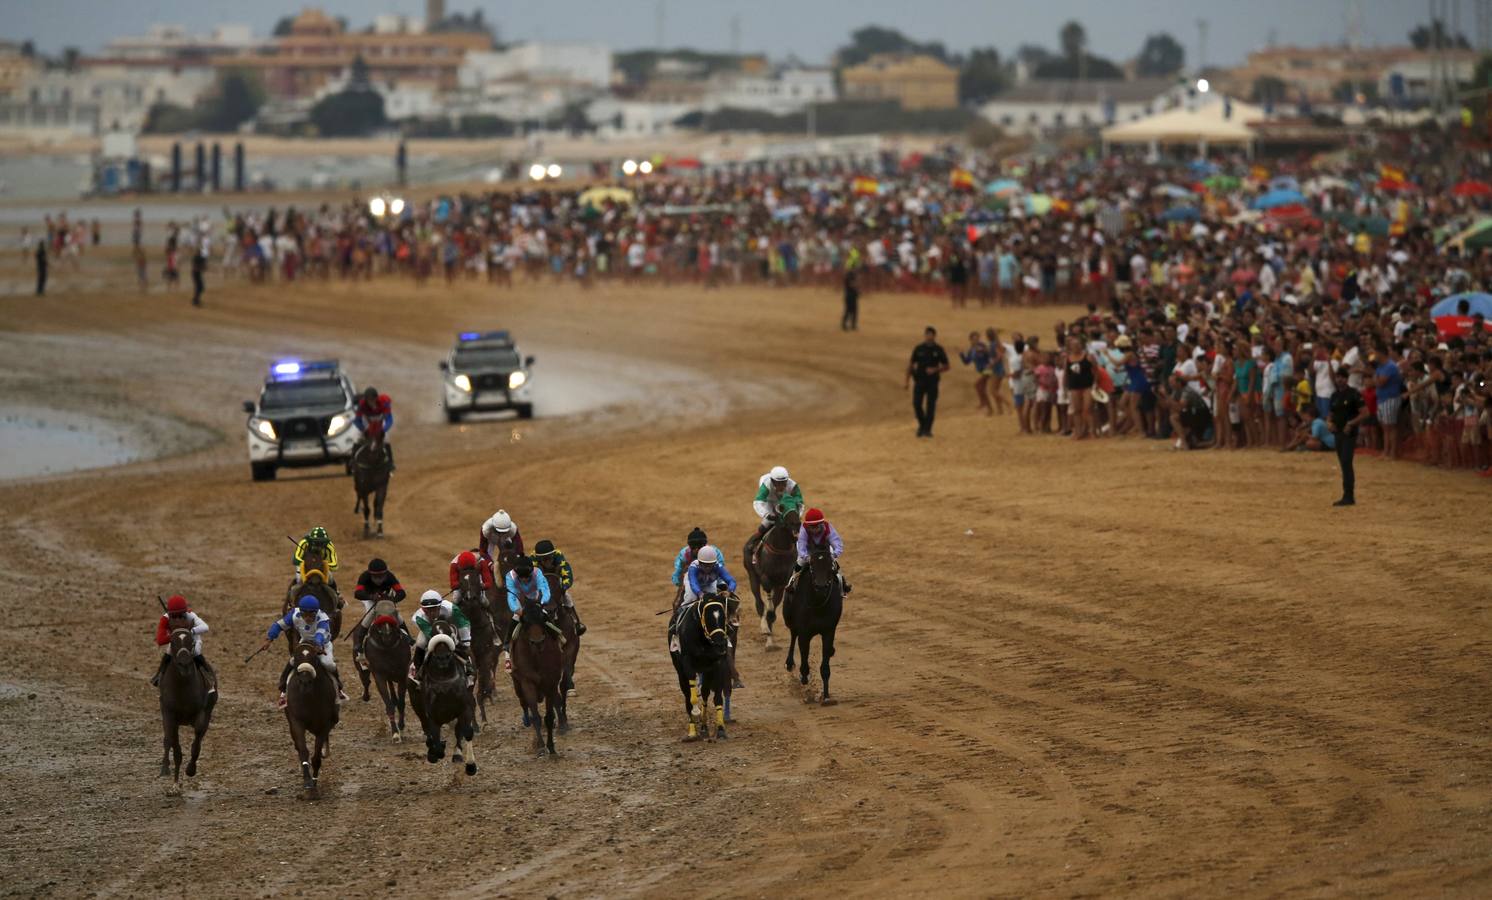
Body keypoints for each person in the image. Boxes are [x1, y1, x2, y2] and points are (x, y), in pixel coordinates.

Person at [261, 595, 345, 709]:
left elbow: (320, 634)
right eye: (305, 615)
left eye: (312, 615)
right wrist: (269, 638)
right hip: (304, 642)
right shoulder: (294, 614)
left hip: (323, 645)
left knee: (328, 663)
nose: (308, 618)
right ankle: (283, 691)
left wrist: (318, 645)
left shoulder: (323, 618)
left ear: (316, 612)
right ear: (301, 612)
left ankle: (338, 688)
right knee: (293, 661)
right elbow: (279, 625)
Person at [150, 594, 217, 701]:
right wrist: (175, 636)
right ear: (170, 614)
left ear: (185, 613)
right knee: (168, 653)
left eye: (181, 616)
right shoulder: (165, 619)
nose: (177, 619)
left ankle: (208, 679)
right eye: (174, 617)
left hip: (192, 640)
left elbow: (205, 627)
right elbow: (160, 640)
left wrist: (190, 632)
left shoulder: (191, 615)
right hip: (176, 641)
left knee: (196, 653)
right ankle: (159, 676)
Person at [671, 545, 738, 652]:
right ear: (699, 562)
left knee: (715, 605)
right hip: (692, 583)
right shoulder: (693, 567)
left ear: (714, 563)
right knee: (690, 599)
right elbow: (693, 583)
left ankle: (725, 628)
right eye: (705, 565)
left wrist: (729, 591)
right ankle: (676, 626)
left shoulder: (718, 567)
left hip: (709, 584)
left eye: (710, 565)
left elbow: (732, 581)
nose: (707, 568)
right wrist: (699, 593)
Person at [351, 558, 410, 664]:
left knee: (398, 616)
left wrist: (392, 600)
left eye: (381, 576)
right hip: (370, 600)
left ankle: (409, 638)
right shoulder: (364, 577)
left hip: (387, 600)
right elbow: (357, 593)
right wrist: (371, 596)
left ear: (385, 573)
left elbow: (401, 592)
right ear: (370, 574)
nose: (379, 579)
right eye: (375, 576)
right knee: (370, 616)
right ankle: (359, 645)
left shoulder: (390, 576)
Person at [409, 589, 473, 686]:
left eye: (434, 609)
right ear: (423, 609)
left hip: (449, 625)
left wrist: (466, 642)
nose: (431, 613)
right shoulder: (418, 618)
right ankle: (418, 670)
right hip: (430, 631)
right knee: (421, 643)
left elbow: (463, 623)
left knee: (459, 643)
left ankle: (469, 667)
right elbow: (430, 633)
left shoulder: (451, 608)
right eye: (427, 610)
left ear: (440, 606)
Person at [1328, 365, 1369, 507]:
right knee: (1343, 463)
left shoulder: (1354, 394)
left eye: (1342, 377)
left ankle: (1348, 495)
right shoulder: (1334, 395)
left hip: (1349, 433)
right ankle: (1347, 495)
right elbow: (1331, 414)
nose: (1339, 380)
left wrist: (1351, 423)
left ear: (1346, 379)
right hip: (1338, 433)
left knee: (1346, 462)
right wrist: (1329, 423)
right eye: (1338, 377)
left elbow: (1365, 412)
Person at [503, 555, 565, 648]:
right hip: (520, 598)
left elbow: (545, 590)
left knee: (544, 614)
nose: (524, 579)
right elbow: (511, 596)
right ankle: (507, 642)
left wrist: (542, 603)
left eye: (527, 577)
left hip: (535, 597)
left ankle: (557, 637)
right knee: (516, 617)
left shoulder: (537, 573)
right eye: (521, 577)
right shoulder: (510, 577)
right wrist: (517, 610)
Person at [790, 507, 850, 594]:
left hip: (824, 550)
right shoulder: (804, 530)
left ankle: (843, 585)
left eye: (816, 526)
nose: (814, 530)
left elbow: (837, 544)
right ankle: (792, 582)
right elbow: (801, 547)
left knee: (834, 563)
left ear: (821, 524)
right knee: (800, 562)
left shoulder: (828, 528)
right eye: (811, 527)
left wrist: (834, 555)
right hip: (808, 550)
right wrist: (806, 558)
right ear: (807, 525)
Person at [531, 539, 585, 635]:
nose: (547, 561)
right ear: (539, 559)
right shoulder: (533, 563)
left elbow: (568, 576)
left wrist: (563, 588)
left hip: (556, 586)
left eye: (549, 558)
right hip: (540, 587)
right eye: (544, 559)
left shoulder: (560, 560)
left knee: (567, 598)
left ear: (553, 555)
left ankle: (576, 622)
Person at [905, 326, 951, 437]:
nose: (928, 336)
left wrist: (935, 369)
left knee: (931, 406)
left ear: (934, 336)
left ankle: (927, 429)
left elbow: (947, 366)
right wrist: (906, 380)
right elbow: (911, 365)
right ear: (925, 335)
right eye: (927, 334)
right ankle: (922, 425)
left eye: (931, 334)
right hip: (919, 380)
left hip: (932, 382)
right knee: (916, 404)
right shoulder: (919, 348)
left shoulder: (939, 349)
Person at [349, 386, 395, 472]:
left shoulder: (384, 402)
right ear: (365, 400)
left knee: (386, 439)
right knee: (357, 438)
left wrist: (383, 430)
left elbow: (389, 419)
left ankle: (390, 463)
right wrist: (363, 430)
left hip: (380, 421)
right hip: (367, 421)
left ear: (376, 398)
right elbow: (357, 420)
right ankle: (353, 461)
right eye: (369, 400)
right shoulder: (362, 404)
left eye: (373, 399)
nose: (371, 402)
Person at [959, 331, 994, 415]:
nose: (976, 340)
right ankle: (988, 407)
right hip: (982, 371)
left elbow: (990, 354)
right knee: (981, 389)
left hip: (987, 370)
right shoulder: (971, 350)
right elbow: (966, 362)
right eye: (974, 339)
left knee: (977, 385)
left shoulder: (982, 346)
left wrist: (984, 350)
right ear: (970, 340)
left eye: (977, 339)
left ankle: (985, 405)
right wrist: (961, 354)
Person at [671, 527, 710, 600]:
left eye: (700, 547)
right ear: (689, 547)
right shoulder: (683, 555)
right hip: (689, 580)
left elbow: (720, 570)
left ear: (705, 545)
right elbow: (679, 574)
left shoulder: (714, 553)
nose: (697, 550)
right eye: (693, 548)